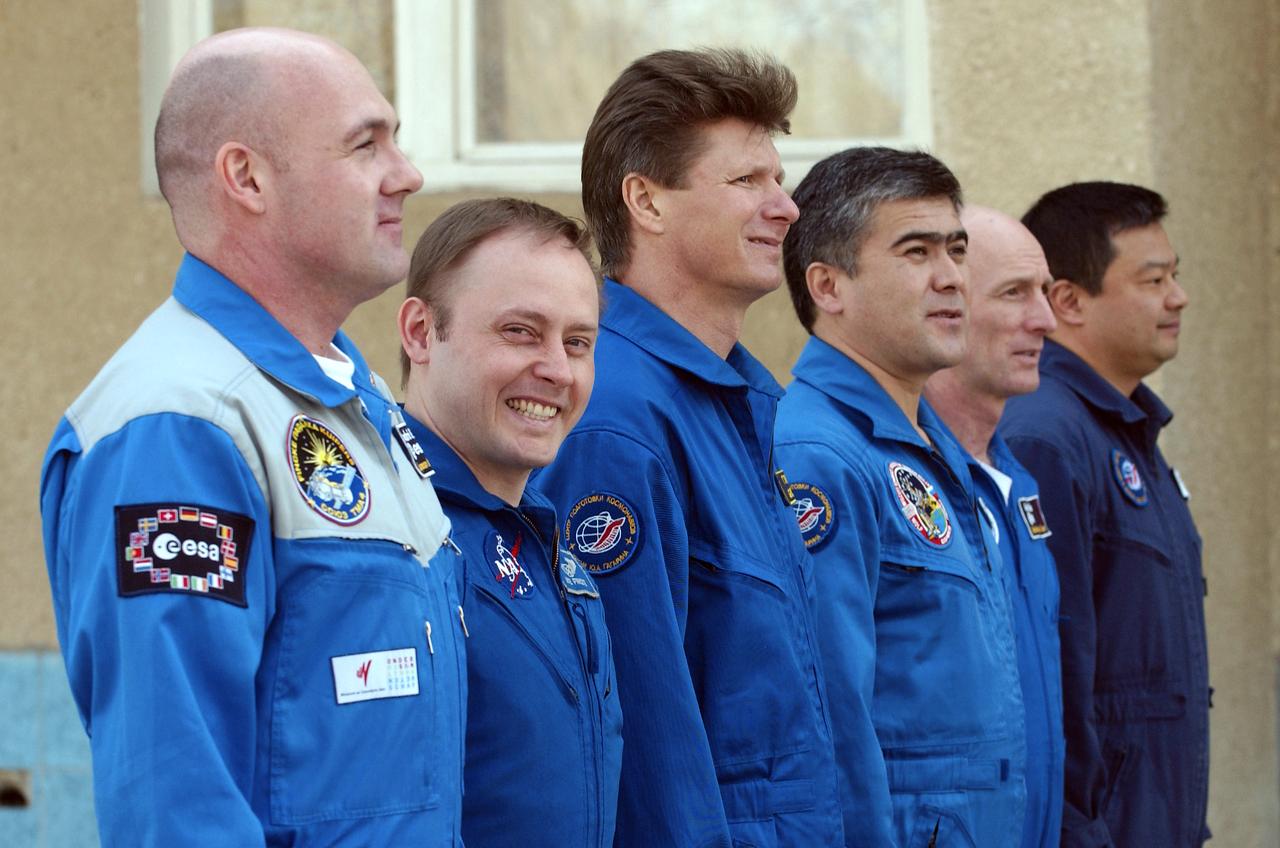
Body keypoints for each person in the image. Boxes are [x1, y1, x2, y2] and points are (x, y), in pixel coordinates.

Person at [38, 28, 467, 846]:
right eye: (365, 144)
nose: (406, 174)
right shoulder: (179, 425)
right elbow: (175, 802)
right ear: (247, 177)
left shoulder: (346, 397)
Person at [533, 48, 844, 846]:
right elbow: (644, 735)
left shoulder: (738, 401)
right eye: (748, 182)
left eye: (779, 180)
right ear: (647, 200)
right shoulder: (616, 414)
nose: (786, 209)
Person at [775, 147, 1026, 847]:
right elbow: (831, 720)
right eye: (916, 252)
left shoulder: (926, 442)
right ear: (828, 285)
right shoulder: (818, 454)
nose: (951, 279)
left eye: (956, 250)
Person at [396, 197, 623, 848]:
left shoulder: (545, 538)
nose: (556, 369)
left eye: (577, 342)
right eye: (520, 331)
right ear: (419, 333)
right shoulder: (392, 536)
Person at [1000, 182, 1208, 847]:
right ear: (1069, 301)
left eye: (1175, 276)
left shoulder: (1124, 431)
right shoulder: (1045, 434)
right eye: (1152, 280)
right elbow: (1049, 661)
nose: (1177, 298)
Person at [923, 205, 1065, 848]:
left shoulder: (1015, 481)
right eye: (1014, 294)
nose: (1046, 319)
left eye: (1043, 292)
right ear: (945, 306)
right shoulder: (885, 476)